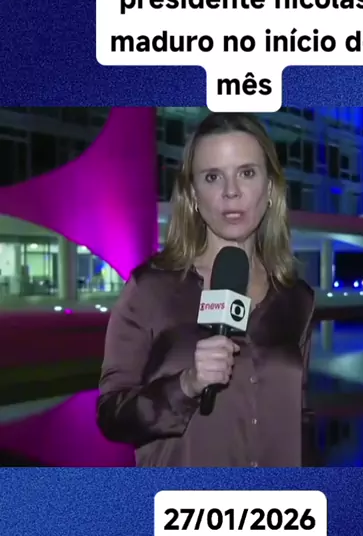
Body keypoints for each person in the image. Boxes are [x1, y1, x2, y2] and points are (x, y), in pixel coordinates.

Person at [96, 112, 316, 467]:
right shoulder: (150, 289)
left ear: (270, 188)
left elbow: (300, 418)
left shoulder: (297, 298)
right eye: (213, 177)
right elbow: (111, 416)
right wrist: (185, 385)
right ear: (193, 194)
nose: (231, 191)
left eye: (247, 173)